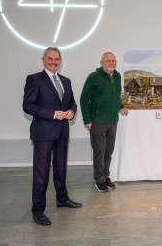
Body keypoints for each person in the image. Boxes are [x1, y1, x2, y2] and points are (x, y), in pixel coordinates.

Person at [23, 47, 83, 226]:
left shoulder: (65, 81)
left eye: (57, 59)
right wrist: (54, 114)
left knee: (60, 168)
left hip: (63, 132)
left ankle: (62, 198)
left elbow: (72, 102)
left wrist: (71, 112)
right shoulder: (34, 79)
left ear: (60, 61)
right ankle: (38, 210)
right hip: (43, 133)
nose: (54, 62)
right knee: (41, 173)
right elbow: (28, 106)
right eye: (50, 59)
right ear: (43, 60)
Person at [80, 52, 129, 193]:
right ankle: (99, 180)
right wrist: (87, 120)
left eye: (113, 61)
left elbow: (116, 96)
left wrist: (120, 107)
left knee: (108, 151)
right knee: (99, 152)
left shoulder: (117, 76)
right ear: (101, 62)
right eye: (108, 61)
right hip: (98, 121)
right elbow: (84, 99)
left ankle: (106, 177)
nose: (111, 63)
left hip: (113, 120)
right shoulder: (93, 77)